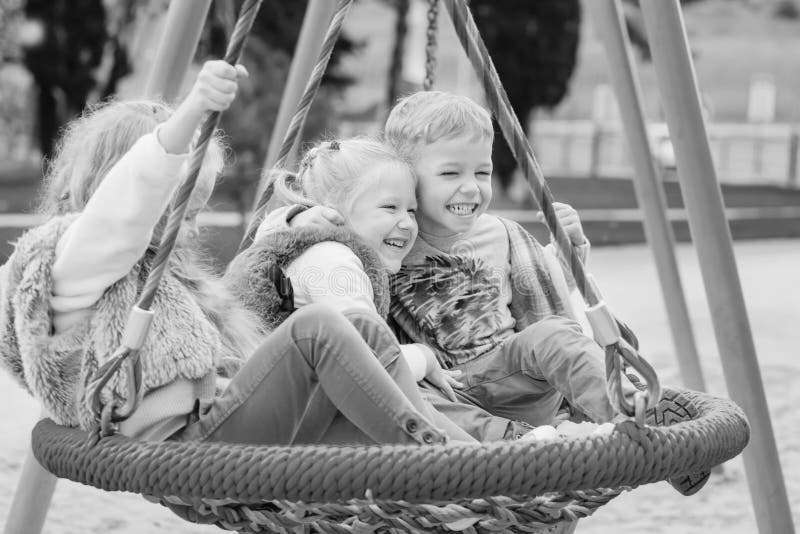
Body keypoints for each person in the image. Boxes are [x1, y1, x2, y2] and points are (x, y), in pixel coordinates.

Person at [0, 60, 451, 447]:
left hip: (226, 416)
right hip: (188, 444)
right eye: (185, 212)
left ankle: (475, 456)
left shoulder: (164, 283)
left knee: (356, 330)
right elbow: (124, 208)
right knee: (318, 329)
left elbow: (255, 347)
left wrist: (419, 359)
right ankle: (437, 457)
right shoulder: (78, 261)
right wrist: (193, 110)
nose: (194, 227)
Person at [227, 137, 536, 442]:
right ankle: (477, 459)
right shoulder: (335, 262)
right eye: (390, 207)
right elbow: (368, 361)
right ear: (334, 213)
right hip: (298, 421)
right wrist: (425, 356)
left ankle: (486, 449)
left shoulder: (304, 245)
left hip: (288, 407)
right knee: (409, 392)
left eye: (411, 211)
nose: (407, 223)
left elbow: (267, 236)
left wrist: (291, 217)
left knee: (419, 392)